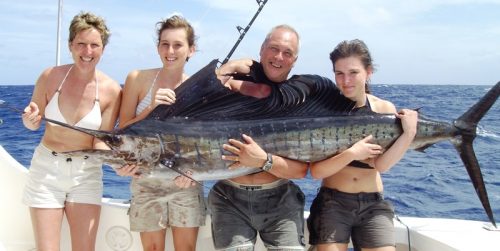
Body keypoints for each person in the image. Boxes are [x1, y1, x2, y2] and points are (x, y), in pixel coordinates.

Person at [209, 24, 351, 251]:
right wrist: (229, 68)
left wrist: (262, 160)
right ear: (261, 49)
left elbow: (300, 171)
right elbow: (200, 96)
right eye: (273, 49)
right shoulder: (233, 80)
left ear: (294, 61)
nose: (278, 57)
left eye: (287, 53)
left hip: (280, 199)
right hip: (228, 199)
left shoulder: (300, 95)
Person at [21, 12, 121, 251]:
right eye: (81, 44)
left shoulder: (112, 90)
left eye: (94, 45)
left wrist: (119, 163)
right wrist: (30, 120)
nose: (87, 52)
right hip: (46, 170)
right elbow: (32, 122)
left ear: (103, 49)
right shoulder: (50, 77)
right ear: (70, 46)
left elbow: (100, 142)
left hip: (86, 174)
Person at [307, 39, 418, 251]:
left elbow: (382, 166)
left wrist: (409, 132)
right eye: (339, 73)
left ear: (368, 72)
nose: (345, 80)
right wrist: (352, 153)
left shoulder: (384, 108)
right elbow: (317, 171)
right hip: (333, 204)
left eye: (353, 72)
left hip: (373, 205)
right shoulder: (325, 112)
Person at [115, 15, 206, 251]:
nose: (170, 51)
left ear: (191, 50)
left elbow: (201, 145)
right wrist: (151, 107)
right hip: (146, 181)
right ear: (158, 48)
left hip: (184, 182)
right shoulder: (137, 79)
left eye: (178, 45)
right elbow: (124, 131)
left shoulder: (198, 91)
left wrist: (194, 172)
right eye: (165, 44)